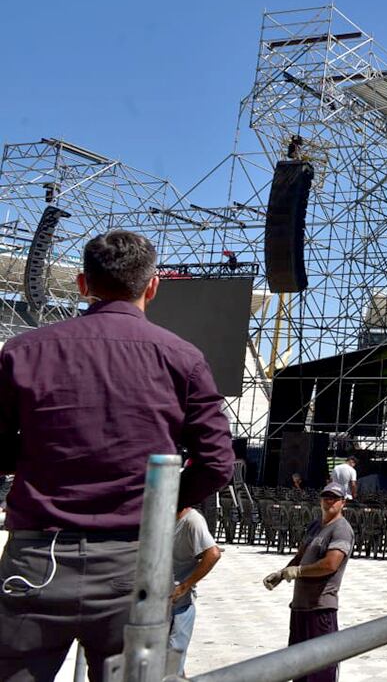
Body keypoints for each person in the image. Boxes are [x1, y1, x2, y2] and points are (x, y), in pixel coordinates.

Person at [0, 230, 234, 682]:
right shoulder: (182, 358)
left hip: (36, 559)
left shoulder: (22, 352)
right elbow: (217, 462)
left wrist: (38, 458)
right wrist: (160, 505)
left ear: (84, 284)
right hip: (133, 562)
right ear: (152, 286)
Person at [263, 482, 355, 682]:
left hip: (320, 608)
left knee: (320, 670)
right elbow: (301, 556)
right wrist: (281, 573)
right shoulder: (315, 525)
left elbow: (331, 564)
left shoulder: (341, 529)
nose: (329, 501)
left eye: (334, 498)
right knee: (298, 668)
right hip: (300, 607)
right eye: (326, 497)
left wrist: (299, 571)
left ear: (343, 503)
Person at [167, 507, 222, 676]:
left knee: (172, 661)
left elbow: (213, 554)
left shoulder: (192, 520)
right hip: (154, 599)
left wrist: (184, 586)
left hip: (179, 602)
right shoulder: (157, 515)